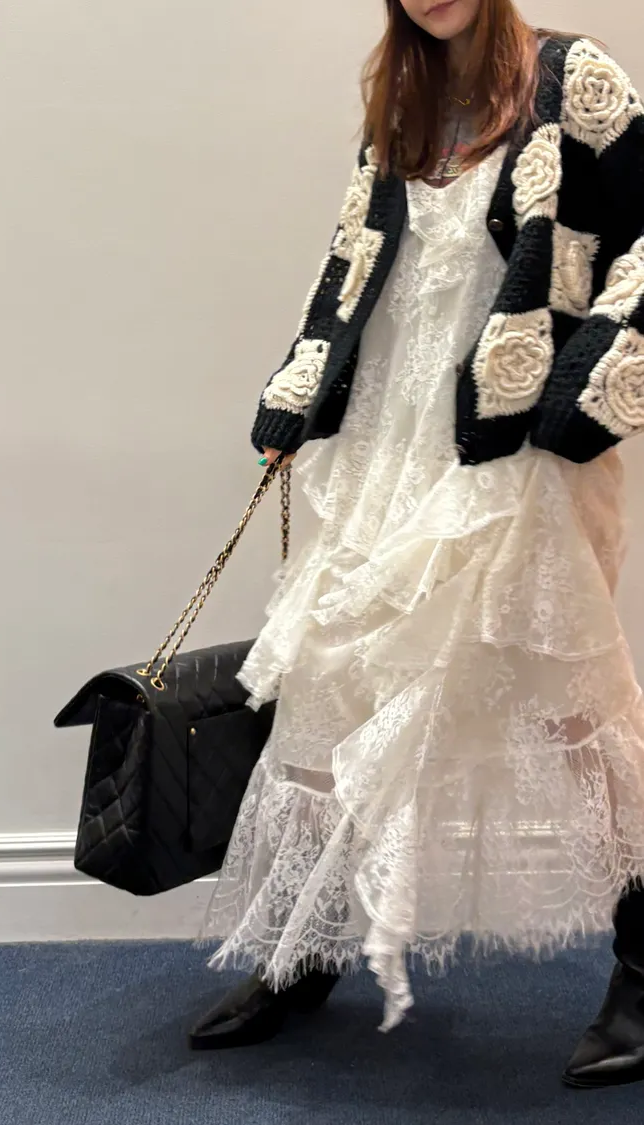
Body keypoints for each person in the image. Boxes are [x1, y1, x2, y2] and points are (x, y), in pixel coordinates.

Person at [191, 0, 644, 1089]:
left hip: (511, 449)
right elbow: (353, 268)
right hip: (389, 447)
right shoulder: (401, 101)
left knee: (573, 704)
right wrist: (300, 394)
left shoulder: (571, 79)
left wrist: (586, 387)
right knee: (330, 681)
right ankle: (303, 947)